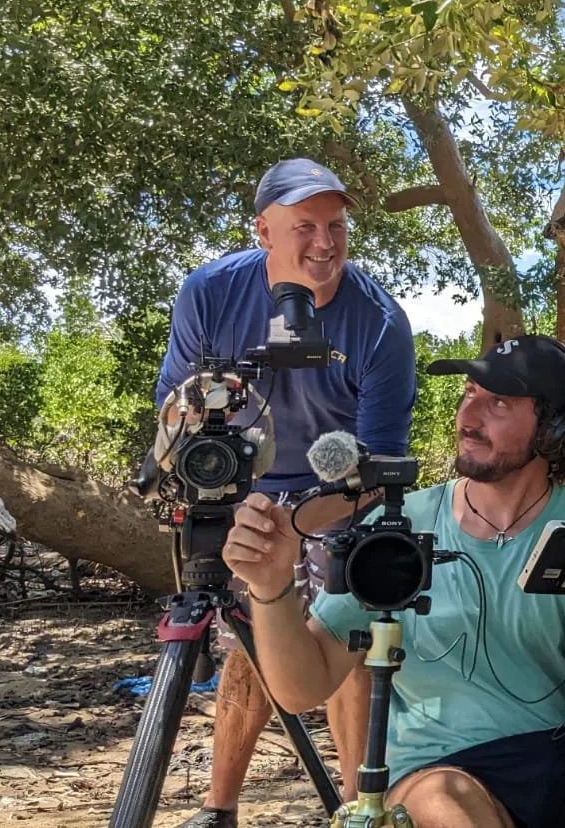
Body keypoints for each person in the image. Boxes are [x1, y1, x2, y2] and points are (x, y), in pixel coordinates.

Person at [222, 334, 565, 828]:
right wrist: (270, 588)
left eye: (498, 402)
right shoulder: (399, 525)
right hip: (445, 772)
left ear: (550, 426)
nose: (468, 416)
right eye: (469, 393)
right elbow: (300, 689)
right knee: (441, 802)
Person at [155, 158, 418, 828]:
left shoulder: (380, 322)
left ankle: (361, 808)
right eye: (305, 225)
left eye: (336, 225)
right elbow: (171, 410)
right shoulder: (210, 292)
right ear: (263, 232)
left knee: (344, 635)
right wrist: (196, 434)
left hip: (339, 494)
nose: (324, 243)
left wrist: (298, 525)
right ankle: (219, 809)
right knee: (250, 647)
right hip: (241, 488)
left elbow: (381, 465)